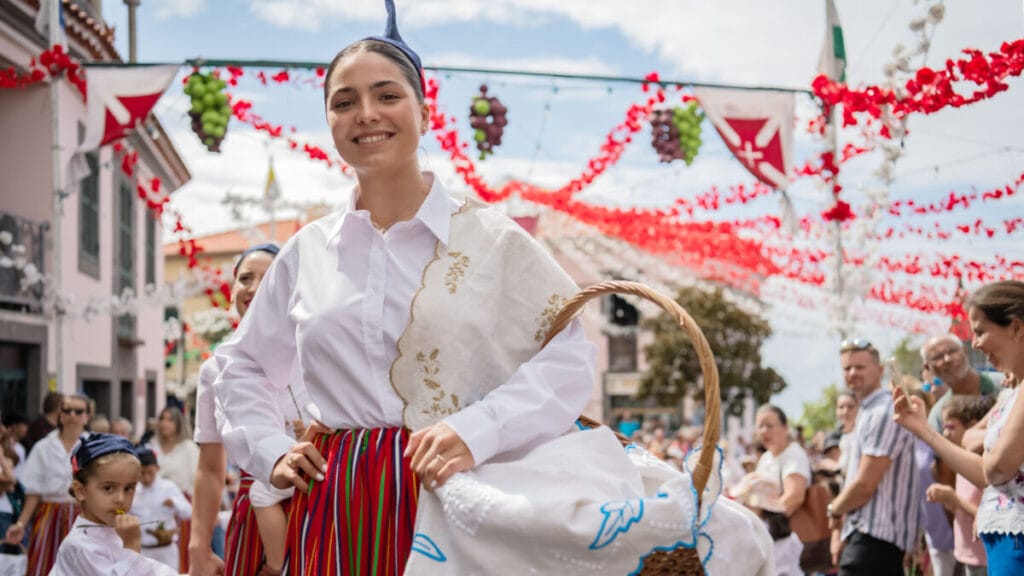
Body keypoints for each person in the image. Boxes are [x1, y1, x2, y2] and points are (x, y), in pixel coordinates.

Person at [213, 2, 774, 574]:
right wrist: (270, 449)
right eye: (344, 102)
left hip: (464, 491)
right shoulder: (307, 253)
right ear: (329, 122)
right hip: (340, 501)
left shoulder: (493, 241)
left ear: (424, 113)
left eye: (387, 95)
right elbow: (244, 366)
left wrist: (477, 428)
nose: (365, 114)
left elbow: (567, 356)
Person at [190, 243, 310, 576]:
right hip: (255, 514)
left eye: (269, 277)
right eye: (245, 278)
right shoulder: (214, 369)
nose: (254, 288)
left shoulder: (315, 353)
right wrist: (198, 546)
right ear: (232, 292)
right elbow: (211, 469)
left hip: (319, 501)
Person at [894, 280, 1024, 575]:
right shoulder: (1010, 393)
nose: (975, 343)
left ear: (1016, 328)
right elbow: (988, 473)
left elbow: (997, 469)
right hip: (1004, 548)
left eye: (980, 332)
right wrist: (924, 430)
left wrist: (984, 449)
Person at [827, 340, 920, 576]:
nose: (853, 373)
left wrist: (834, 509)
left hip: (875, 538)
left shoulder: (883, 411)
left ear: (879, 370)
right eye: (847, 368)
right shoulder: (869, 410)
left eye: (860, 366)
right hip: (872, 540)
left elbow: (864, 485)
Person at [50, 433, 178, 575]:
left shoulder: (112, 531)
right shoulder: (78, 546)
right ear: (80, 491)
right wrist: (131, 546)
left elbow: (147, 569)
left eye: (129, 488)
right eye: (108, 488)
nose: (121, 499)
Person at [4, 394, 90, 576]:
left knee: (84, 569)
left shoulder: (93, 447)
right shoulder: (43, 447)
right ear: (60, 415)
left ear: (86, 416)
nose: (72, 415)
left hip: (85, 516)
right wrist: (20, 524)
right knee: (44, 566)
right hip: (50, 515)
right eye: (67, 410)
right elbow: (33, 493)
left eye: (78, 411)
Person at [926, 395, 995, 576]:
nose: (945, 433)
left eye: (950, 427)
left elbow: (989, 514)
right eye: (943, 428)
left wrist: (953, 497)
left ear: (972, 426)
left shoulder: (981, 464)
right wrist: (949, 501)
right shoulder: (959, 464)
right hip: (966, 555)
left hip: (984, 559)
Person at [147, 405, 198, 572]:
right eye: (162, 418)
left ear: (178, 423)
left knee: (181, 550)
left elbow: (196, 481)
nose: (164, 423)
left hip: (182, 506)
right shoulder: (152, 447)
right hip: (155, 505)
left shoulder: (189, 448)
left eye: (169, 419)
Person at [130, 448, 192, 570]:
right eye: (142, 473)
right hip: (143, 551)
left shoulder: (168, 487)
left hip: (166, 550)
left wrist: (175, 503)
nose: (146, 477)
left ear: (157, 469)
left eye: (150, 472)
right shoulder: (133, 490)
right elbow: (122, 512)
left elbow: (189, 512)